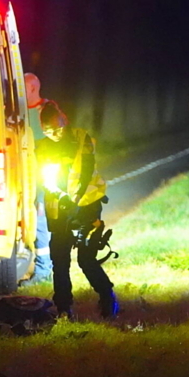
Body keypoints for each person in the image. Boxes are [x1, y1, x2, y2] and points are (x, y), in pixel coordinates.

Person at [36, 101, 118, 319]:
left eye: (58, 128)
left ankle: (108, 298)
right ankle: (64, 309)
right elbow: (45, 179)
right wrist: (63, 199)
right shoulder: (42, 147)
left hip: (87, 207)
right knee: (60, 260)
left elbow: (85, 170)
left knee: (86, 259)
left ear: (65, 121)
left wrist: (75, 199)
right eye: (48, 130)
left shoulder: (82, 138)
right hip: (59, 210)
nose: (54, 134)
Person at [22, 73, 53, 285]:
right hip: (25, 174)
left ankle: (44, 270)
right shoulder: (17, 110)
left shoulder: (48, 111)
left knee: (41, 220)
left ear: (33, 89)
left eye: (21, 88)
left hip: (43, 176)